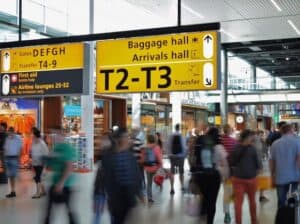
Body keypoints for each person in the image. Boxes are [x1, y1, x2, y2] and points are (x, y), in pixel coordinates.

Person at [101, 128, 142, 224]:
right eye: (126, 137)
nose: (129, 139)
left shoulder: (129, 155)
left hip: (128, 196)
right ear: (119, 139)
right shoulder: (108, 156)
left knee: (122, 218)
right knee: (117, 219)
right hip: (116, 197)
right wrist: (102, 195)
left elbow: (135, 174)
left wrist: (139, 193)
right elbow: (105, 177)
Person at [191, 127, 228, 224]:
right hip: (214, 176)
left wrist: (194, 174)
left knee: (204, 197)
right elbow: (225, 162)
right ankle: (209, 221)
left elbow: (193, 158)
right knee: (212, 201)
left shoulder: (200, 141)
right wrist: (226, 175)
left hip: (201, 175)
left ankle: (203, 215)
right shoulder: (219, 146)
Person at [44, 128, 77, 224]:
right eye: (53, 135)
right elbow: (51, 164)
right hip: (55, 182)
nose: (55, 137)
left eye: (57, 135)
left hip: (65, 185)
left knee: (69, 210)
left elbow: (69, 166)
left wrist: (61, 184)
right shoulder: (55, 148)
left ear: (63, 136)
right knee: (49, 210)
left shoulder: (67, 148)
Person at [229, 130, 261, 224]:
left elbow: (231, 161)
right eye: (251, 137)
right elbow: (258, 165)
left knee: (238, 203)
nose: (252, 139)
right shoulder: (252, 149)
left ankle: (238, 222)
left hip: (238, 178)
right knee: (252, 201)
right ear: (247, 137)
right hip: (251, 178)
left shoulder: (235, 147)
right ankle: (254, 221)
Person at [270, 124, 300, 209]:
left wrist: (272, 176)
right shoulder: (297, 142)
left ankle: (282, 218)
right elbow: (299, 160)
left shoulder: (275, 144)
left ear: (282, 131)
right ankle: (293, 218)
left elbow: (272, 162)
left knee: (281, 201)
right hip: (295, 175)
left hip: (280, 177)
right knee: (295, 200)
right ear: (291, 130)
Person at [93, 134, 114, 224]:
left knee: (109, 213)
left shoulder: (111, 155)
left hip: (107, 190)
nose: (101, 142)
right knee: (98, 213)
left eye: (104, 140)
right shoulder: (103, 155)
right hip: (100, 189)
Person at [220, 124, 237, 224]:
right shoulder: (233, 141)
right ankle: (234, 209)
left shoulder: (220, 141)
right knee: (233, 192)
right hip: (232, 171)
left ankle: (227, 214)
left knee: (226, 192)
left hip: (222, 170)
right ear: (230, 131)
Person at [141, 134, 163, 204]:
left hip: (148, 168)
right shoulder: (156, 147)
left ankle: (150, 198)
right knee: (158, 177)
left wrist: (144, 166)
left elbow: (142, 159)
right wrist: (160, 165)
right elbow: (159, 158)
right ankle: (159, 184)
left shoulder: (144, 148)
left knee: (149, 184)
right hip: (155, 167)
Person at [166, 124, 187, 195]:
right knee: (181, 172)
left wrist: (169, 155)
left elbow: (168, 146)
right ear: (179, 128)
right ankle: (182, 186)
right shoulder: (182, 136)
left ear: (175, 128)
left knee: (172, 172)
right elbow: (184, 147)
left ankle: (172, 188)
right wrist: (184, 156)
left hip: (173, 157)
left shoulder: (170, 136)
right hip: (180, 157)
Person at [3, 127, 22, 198]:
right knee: (10, 176)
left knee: (13, 176)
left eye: (9, 132)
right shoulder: (7, 138)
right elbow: (6, 148)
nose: (9, 133)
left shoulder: (18, 138)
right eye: (8, 132)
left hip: (14, 158)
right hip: (8, 158)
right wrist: (5, 157)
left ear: (13, 131)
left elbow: (20, 148)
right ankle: (12, 191)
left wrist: (19, 159)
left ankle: (13, 191)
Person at [30, 127, 49, 199]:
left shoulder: (42, 143)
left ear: (35, 135)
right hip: (35, 163)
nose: (31, 135)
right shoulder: (33, 143)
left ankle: (38, 193)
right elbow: (32, 152)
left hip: (41, 164)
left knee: (38, 178)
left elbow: (46, 154)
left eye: (32, 134)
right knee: (38, 178)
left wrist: (45, 165)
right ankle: (43, 191)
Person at [254, 130, 269, 202]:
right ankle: (261, 196)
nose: (262, 136)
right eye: (261, 134)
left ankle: (261, 195)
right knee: (260, 179)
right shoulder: (258, 142)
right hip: (259, 164)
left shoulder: (260, 142)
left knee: (261, 179)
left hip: (259, 163)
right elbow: (263, 153)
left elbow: (265, 152)